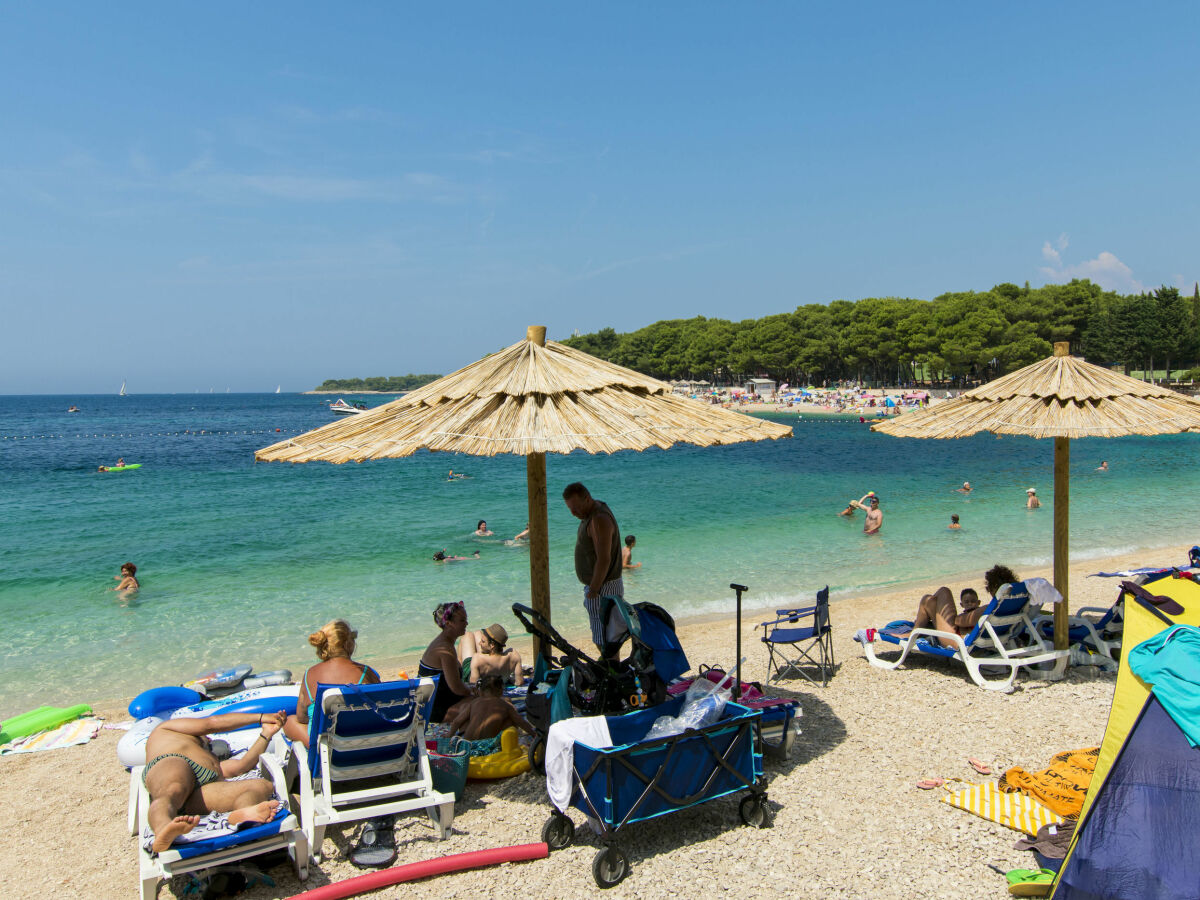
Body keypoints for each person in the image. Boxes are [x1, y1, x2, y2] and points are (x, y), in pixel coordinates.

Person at [142, 710, 287, 852]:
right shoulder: (167, 729)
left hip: (200, 791)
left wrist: (267, 733)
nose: (209, 739)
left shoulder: (211, 758)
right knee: (172, 789)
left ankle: (242, 815)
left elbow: (242, 766)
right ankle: (163, 830)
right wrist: (261, 717)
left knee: (261, 786)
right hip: (174, 762)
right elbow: (211, 723)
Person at [283, 620, 380, 747]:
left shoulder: (309, 675)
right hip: (364, 743)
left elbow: (302, 718)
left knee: (290, 721)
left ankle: (318, 746)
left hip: (327, 751)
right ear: (348, 645)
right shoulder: (366, 673)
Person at [562, 482, 624, 654]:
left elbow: (604, 559)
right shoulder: (592, 513)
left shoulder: (598, 519)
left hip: (603, 587)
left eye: (575, 508)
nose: (573, 513)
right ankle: (611, 668)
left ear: (587, 499)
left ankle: (611, 671)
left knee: (604, 637)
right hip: (602, 585)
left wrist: (594, 590)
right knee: (606, 636)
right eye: (569, 509)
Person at [908, 564, 1018, 640]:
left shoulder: (988, 609)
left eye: (988, 587)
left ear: (994, 588)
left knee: (941, 592)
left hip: (956, 640)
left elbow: (957, 621)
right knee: (930, 601)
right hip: (993, 638)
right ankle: (919, 626)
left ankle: (913, 634)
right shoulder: (1014, 605)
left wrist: (969, 613)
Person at [418, 601, 477, 723]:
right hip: (436, 712)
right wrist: (473, 692)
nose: (467, 623)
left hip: (427, 706)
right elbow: (456, 688)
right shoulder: (445, 650)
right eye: (462, 620)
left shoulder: (444, 642)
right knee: (488, 701)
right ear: (449, 623)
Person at [444, 674, 534, 741]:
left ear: (481, 692)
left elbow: (456, 722)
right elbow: (521, 722)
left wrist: (449, 736)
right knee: (511, 720)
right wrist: (534, 734)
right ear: (501, 691)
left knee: (465, 716)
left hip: (467, 745)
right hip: (487, 746)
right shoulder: (506, 705)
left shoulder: (474, 702)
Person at [458, 623, 524, 685]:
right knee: (477, 633)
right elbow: (519, 682)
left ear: (492, 645)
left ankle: (459, 671)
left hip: (472, 669)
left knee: (467, 635)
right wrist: (507, 679)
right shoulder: (514, 655)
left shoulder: (477, 658)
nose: (479, 643)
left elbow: (474, 686)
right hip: (487, 667)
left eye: (483, 641)